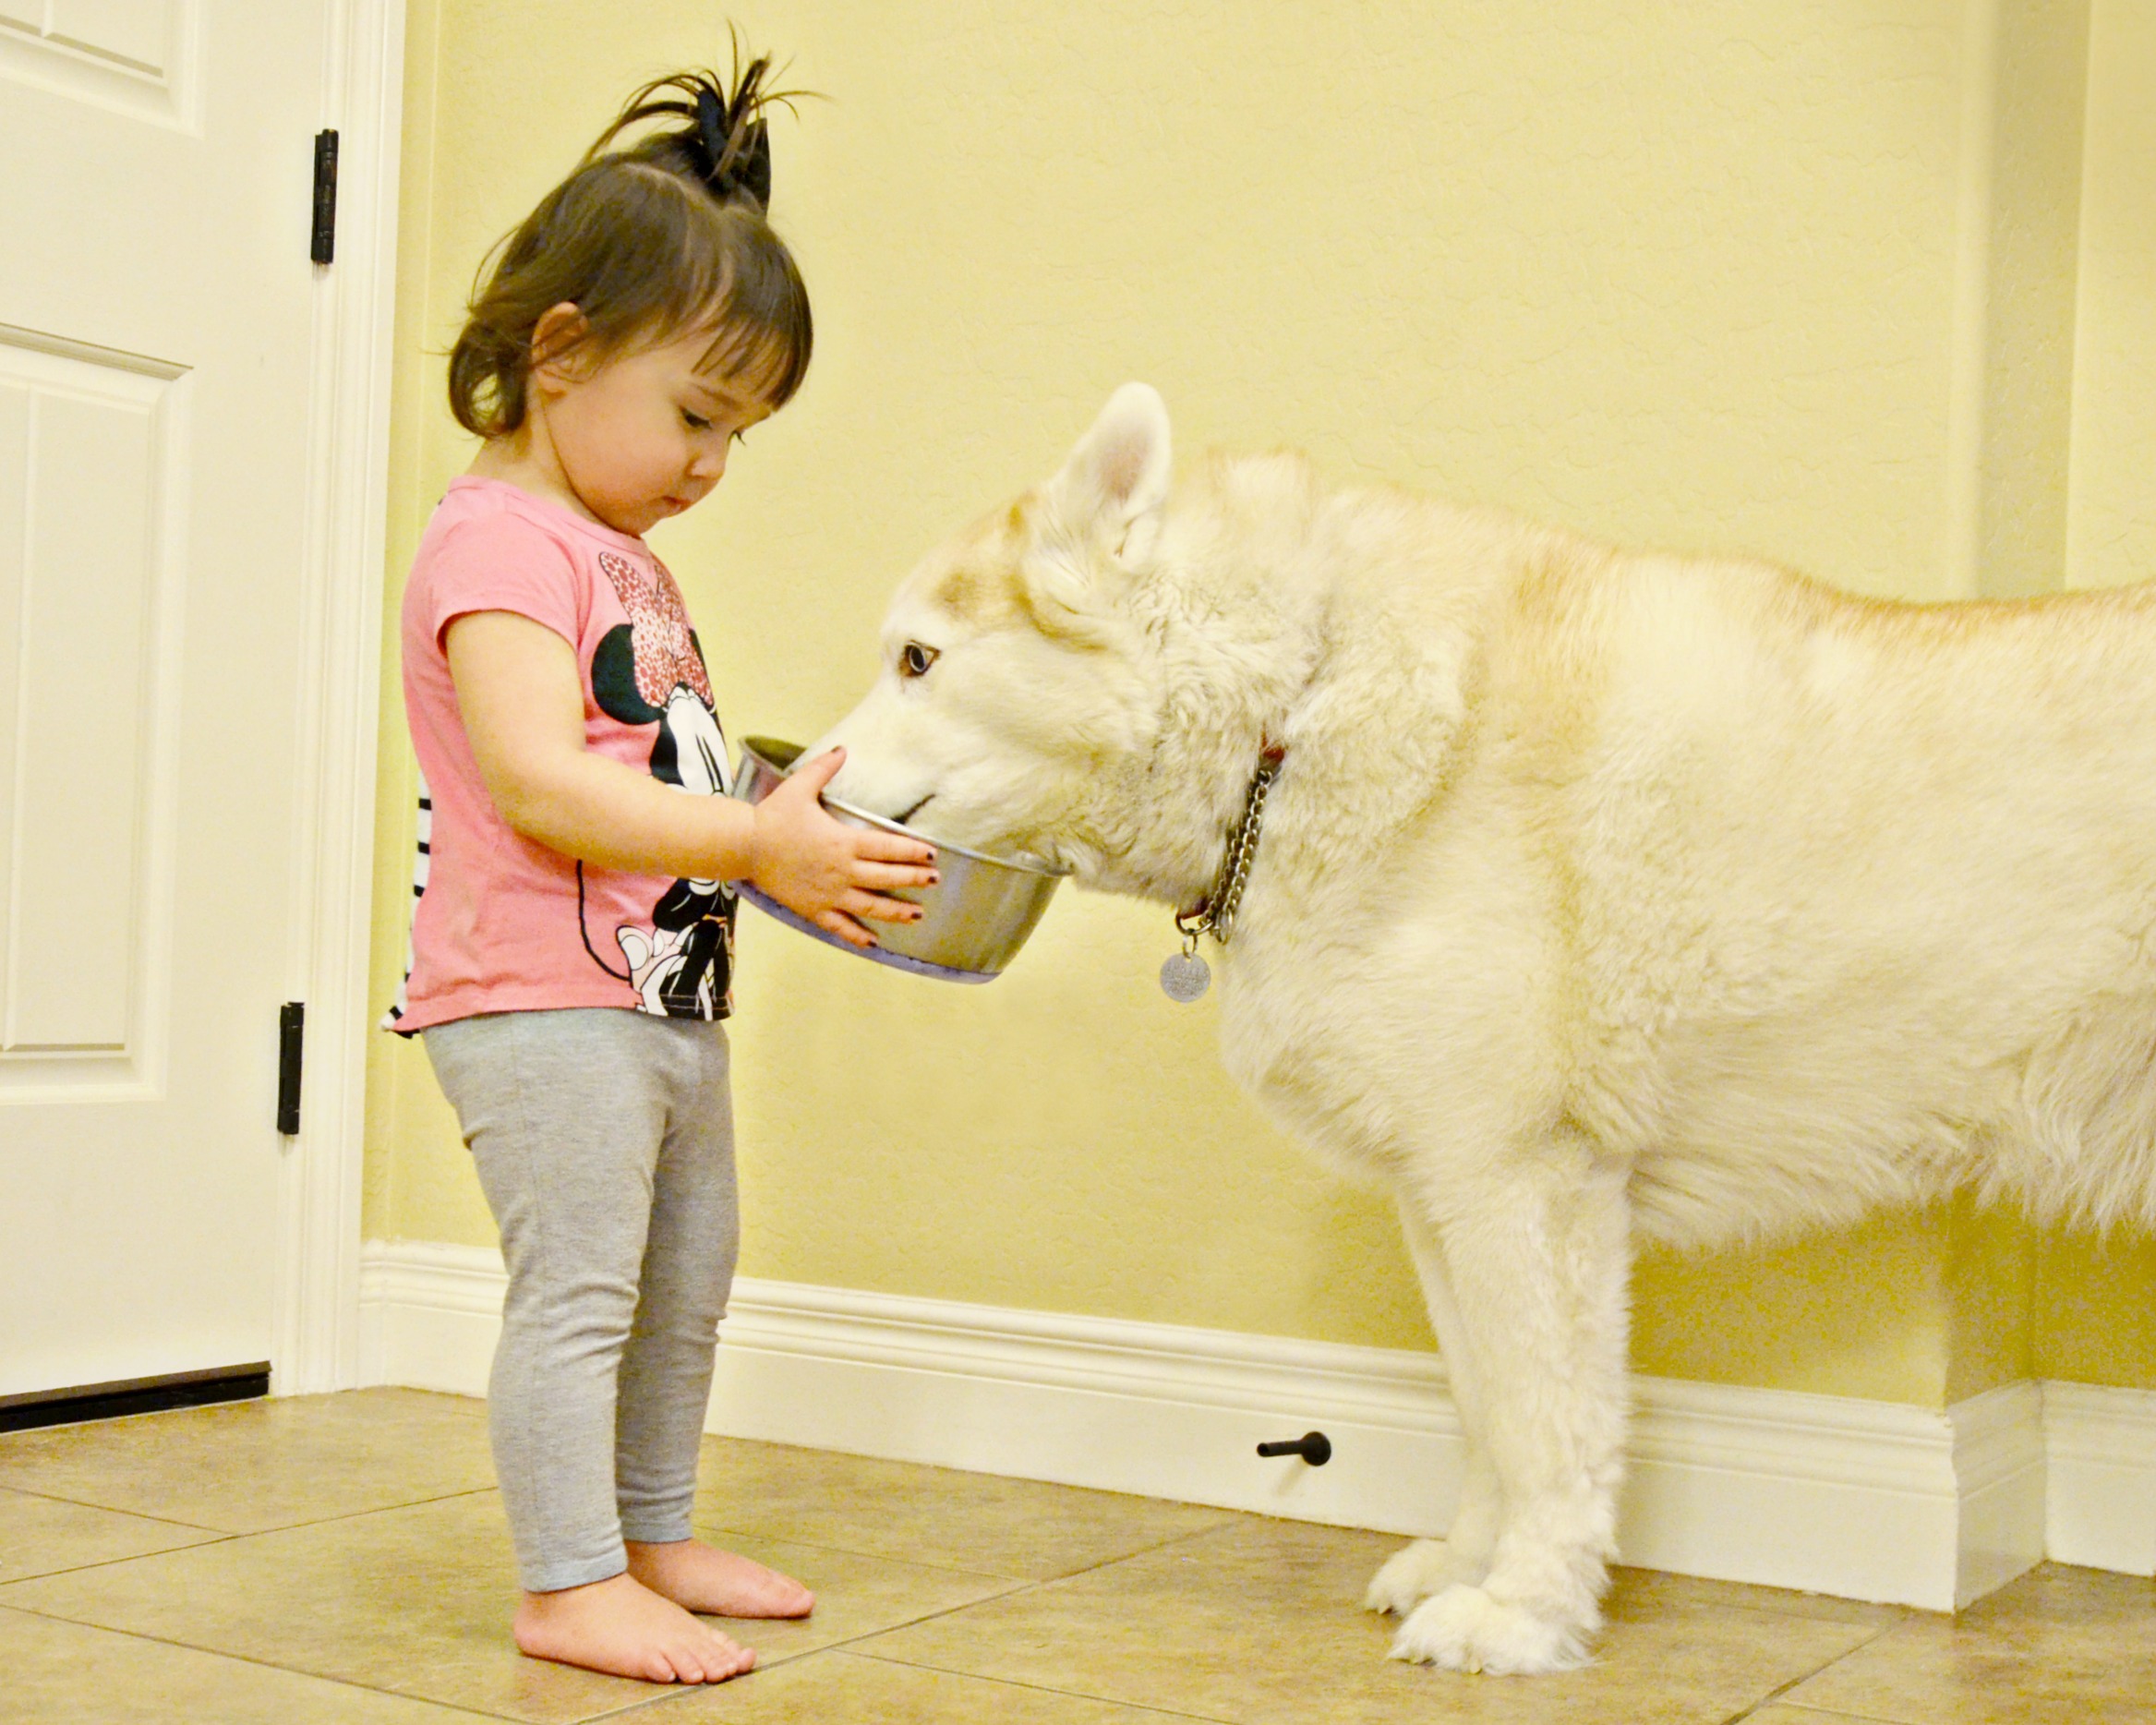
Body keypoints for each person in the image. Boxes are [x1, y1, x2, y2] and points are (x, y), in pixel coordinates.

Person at [383, 54, 936, 1685]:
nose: (712, 464)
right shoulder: (498, 542)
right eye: (698, 415)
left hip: (657, 1000)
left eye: (737, 434)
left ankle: (645, 1530)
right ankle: (567, 1582)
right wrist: (759, 841)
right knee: (581, 1290)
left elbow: (644, 772)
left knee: (684, 1285)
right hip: (537, 999)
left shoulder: (614, 552)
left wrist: (780, 816)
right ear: (559, 354)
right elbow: (540, 781)